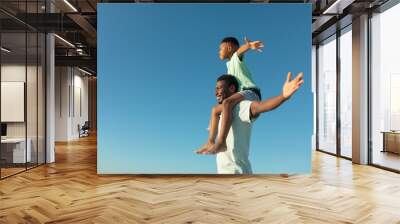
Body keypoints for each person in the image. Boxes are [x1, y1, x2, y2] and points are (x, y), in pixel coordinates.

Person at [196, 72, 304, 174]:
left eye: (219, 88)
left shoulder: (240, 107)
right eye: (215, 89)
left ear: (232, 88)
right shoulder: (221, 114)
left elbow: (260, 106)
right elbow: (215, 111)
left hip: (238, 174)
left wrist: (283, 96)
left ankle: (220, 143)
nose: (216, 92)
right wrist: (210, 140)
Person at [196, 36, 264, 154]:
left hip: (250, 92)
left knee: (227, 103)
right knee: (215, 110)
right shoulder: (229, 66)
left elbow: (239, 51)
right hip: (240, 95)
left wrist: (248, 46)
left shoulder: (235, 59)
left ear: (229, 47)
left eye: (220, 49)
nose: (218, 52)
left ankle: (221, 143)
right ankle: (210, 141)